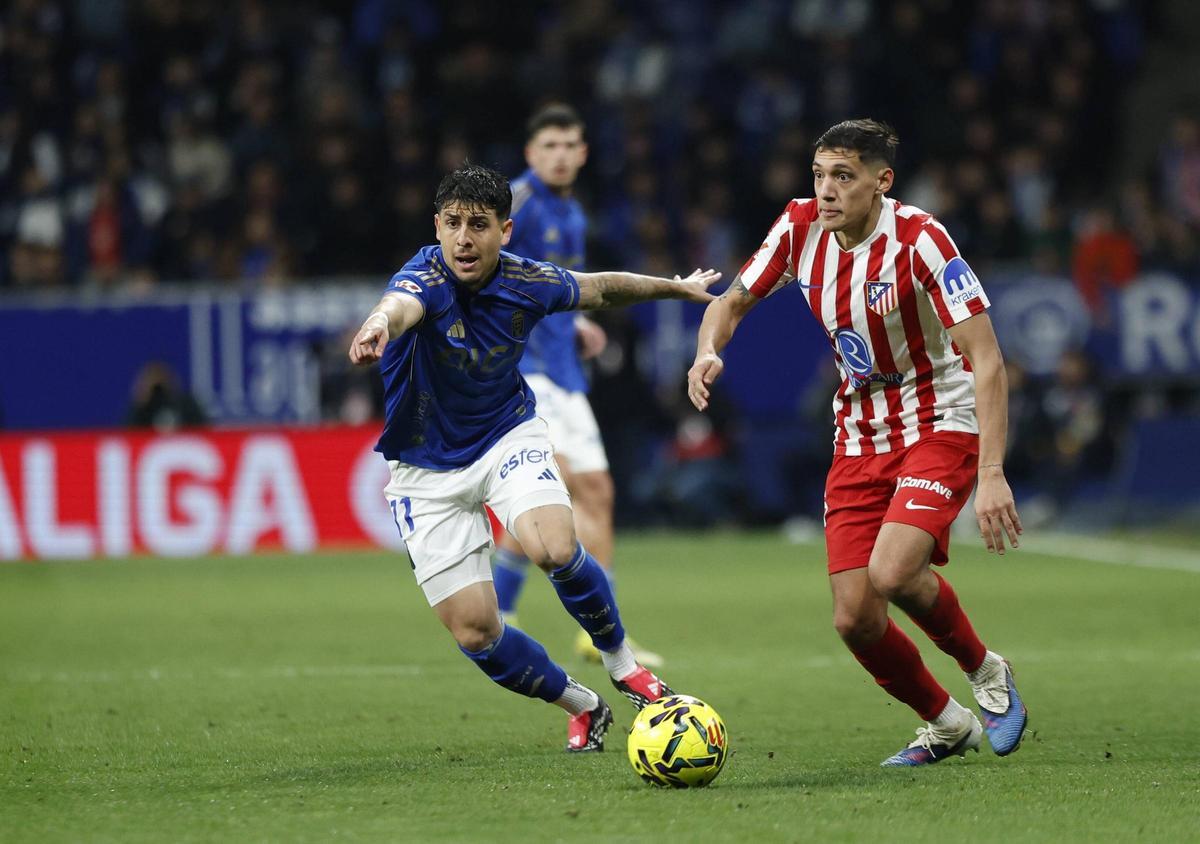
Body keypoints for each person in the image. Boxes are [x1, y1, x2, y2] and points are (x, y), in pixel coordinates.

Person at [687, 119, 1028, 767]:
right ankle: (947, 723)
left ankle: (986, 670)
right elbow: (729, 302)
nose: (826, 191)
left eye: (843, 176)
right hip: (859, 432)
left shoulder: (923, 241)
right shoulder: (797, 229)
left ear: (881, 181)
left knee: (893, 572)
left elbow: (986, 358)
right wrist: (707, 352)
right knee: (854, 619)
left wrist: (991, 472)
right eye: (818, 175)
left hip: (938, 419)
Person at [349, 162, 719, 752]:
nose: (463, 239)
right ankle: (582, 704)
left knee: (554, 544)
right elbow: (398, 307)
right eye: (451, 224)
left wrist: (672, 287)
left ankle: (622, 663)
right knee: (476, 631)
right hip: (423, 470)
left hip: (504, 437)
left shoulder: (528, 280)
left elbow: (599, 288)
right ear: (436, 226)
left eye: (478, 225)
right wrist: (376, 324)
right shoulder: (423, 277)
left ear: (506, 231)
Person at [490, 103, 662, 667]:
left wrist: (580, 321)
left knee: (566, 499)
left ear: (583, 153)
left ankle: (510, 613)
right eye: (550, 146)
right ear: (531, 154)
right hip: (527, 373)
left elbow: (557, 288)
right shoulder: (517, 201)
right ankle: (595, 631)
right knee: (577, 493)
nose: (560, 155)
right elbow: (479, 267)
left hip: (564, 371)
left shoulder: (573, 214)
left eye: (570, 146)